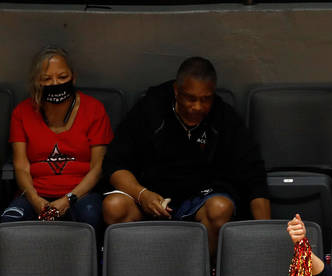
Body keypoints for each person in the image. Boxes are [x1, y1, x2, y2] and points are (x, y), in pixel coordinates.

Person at [103, 56, 270, 261]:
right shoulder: (150, 108)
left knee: (220, 207)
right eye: (190, 98)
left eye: (205, 99)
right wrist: (142, 194)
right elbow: (114, 163)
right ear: (176, 91)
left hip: (199, 200)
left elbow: (254, 175)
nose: (197, 107)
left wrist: (266, 236)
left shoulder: (223, 117)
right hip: (151, 197)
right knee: (114, 206)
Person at [0, 46, 112, 229]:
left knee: (90, 215)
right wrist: (35, 199)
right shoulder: (22, 112)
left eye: (62, 77)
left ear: (73, 77)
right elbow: (21, 166)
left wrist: (68, 200)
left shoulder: (94, 109)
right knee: (10, 220)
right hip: (35, 193)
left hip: (80, 194)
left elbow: (97, 166)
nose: (55, 84)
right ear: (36, 82)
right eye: (46, 79)